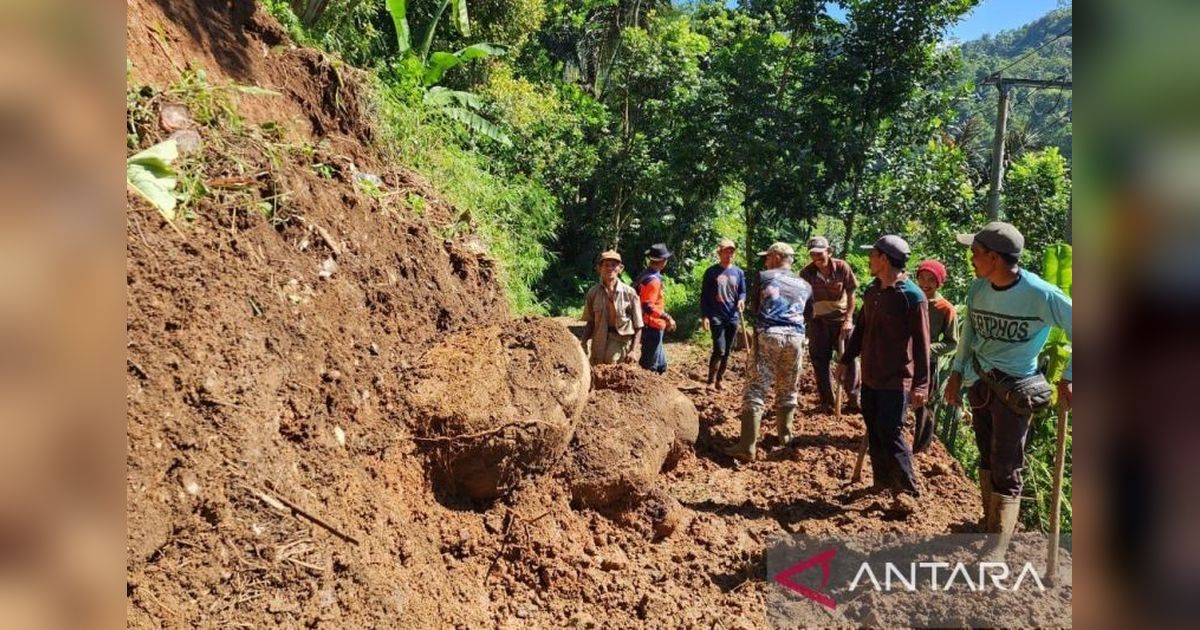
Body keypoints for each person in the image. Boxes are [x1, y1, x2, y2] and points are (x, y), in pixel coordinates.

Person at [944, 222, 1072, 553]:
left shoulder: (1040, 294)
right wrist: (957, 372)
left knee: (1006, 462)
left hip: (1016, 390)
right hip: (979, 381)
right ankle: (988, 525)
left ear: (995, 257)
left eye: (975, 253)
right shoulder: (978, 288)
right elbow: (969, 333)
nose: (971, 258)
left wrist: (1070, 377)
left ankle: (997, 547)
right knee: (986, 455)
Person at [837, 235, 930, 513]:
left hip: (896, 378)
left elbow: (923, 345)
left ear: (885, 259)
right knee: (875, 429)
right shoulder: (873, 291)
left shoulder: (912, 297)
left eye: (873, 255)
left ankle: (907, 490)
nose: (869, 260)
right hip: (871, 376)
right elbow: (862, 328)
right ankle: (882, 481)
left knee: (891, 431)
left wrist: (922, 385)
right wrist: (845, 359)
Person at [724, 242, 813, 462]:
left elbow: (756, 307)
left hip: (770, 333)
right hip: (796, 337)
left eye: (767, 256)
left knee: (756, 387)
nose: (765, 261)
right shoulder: (805, 284)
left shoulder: (765, 277)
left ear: (776, 256)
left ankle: (747, 446)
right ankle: (786, 439)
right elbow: (809, 313)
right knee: (788, 387)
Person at [799, 236, 860, 412]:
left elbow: (851, 293)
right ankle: (828, 401)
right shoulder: (806, 273)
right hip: (818, 322)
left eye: (820, 254)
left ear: (829, 251)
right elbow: (803, 300)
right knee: (820, 361)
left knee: (849, 359)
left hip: (841, 321)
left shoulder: (842, 267)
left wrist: (848, 319)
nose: (817, 258)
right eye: (813, 255)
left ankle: (854, 399)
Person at [581, 250, 644, 365]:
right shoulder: (593, 293)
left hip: (620, 343)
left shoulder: (630, 293)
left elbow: (638, 326)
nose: (610, 268)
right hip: (599, 343)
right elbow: (590, 322)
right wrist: (583, 342)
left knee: (613, 375)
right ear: (599, 269)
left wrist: (633, 351)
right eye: (606, 265)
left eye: (614, 265)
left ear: (620, 268)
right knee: (595, 374)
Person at [700, 238, 747, 389]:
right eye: (726, 252)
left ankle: (720, 380)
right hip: (716, 315)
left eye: (731, 252)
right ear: (719, 253)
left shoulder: (738, 272)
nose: (729, 255)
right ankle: (710, 381)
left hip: (732, 316)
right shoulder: (711, 272)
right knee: (719, 348)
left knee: (727, 350)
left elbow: (742, 291)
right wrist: (705, 316)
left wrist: (741, 300)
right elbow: (705, 296)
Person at [634, 243, 677, 374]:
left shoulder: (644, 275)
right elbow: (647, 305)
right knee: (649, 365)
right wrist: (667, 317)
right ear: (663, 261)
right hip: (651, 326)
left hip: (654, 325)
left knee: (661, 364)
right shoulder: (653, 281)